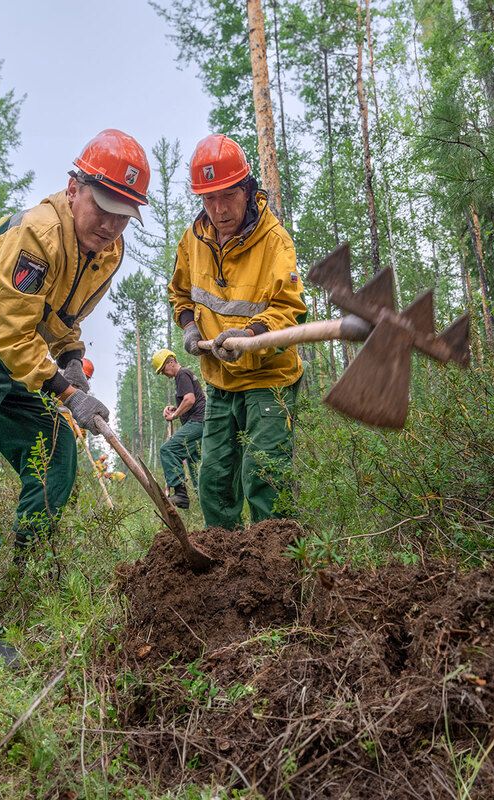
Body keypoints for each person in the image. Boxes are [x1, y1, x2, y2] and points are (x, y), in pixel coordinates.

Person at [0, 129, 149, 665]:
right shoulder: (39, 234)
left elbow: (59, 318)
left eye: (123, 214)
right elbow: (11, 333)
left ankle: (34, 562)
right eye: (102, 206)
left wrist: (71, 364)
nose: (109, 224)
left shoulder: (109, 252)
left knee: (56, 444)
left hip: (10, 341)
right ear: (74, 188)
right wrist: (62, 385)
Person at [168, 134, 306, 529]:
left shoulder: (274, 242)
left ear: (247, 190)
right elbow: (179, 294)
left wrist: (250, 336)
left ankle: (278, 567)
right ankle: (226, 569)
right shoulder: (192, 241)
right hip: (220, 380)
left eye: (227, 195)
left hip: (269, 377)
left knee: (263, 477)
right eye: (208, 199)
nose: (219, 209)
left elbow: (289, 308)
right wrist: (190, 328)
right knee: (213, 479)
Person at [151, 349, 205, 509]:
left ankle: (181, 495)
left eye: (163, 370)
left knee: (168, 450)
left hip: (197, 422)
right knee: (196, 468)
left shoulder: (182, 374)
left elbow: (189, 400)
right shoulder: (184, 376)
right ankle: (206, 507)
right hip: (200, 422)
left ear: (171, 362)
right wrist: (175, 409)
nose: (163, 374)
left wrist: (174, 416)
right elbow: (190, 402)